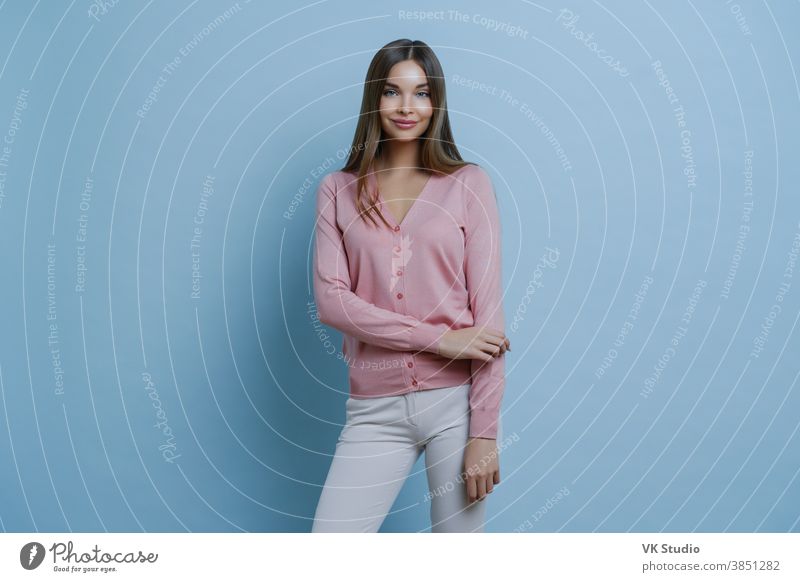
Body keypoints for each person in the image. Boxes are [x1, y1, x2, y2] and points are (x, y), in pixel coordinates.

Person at [311, 38, 509, 533]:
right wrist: (439, 338)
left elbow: (490, 321)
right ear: (373, 99)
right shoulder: (338, 190)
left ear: (436, 102)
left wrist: (484, 433)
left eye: (421, 93)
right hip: (373, 408)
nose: (406, 107)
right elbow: (333, 303)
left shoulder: (468, 184)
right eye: (393, 92)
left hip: (455, 407)